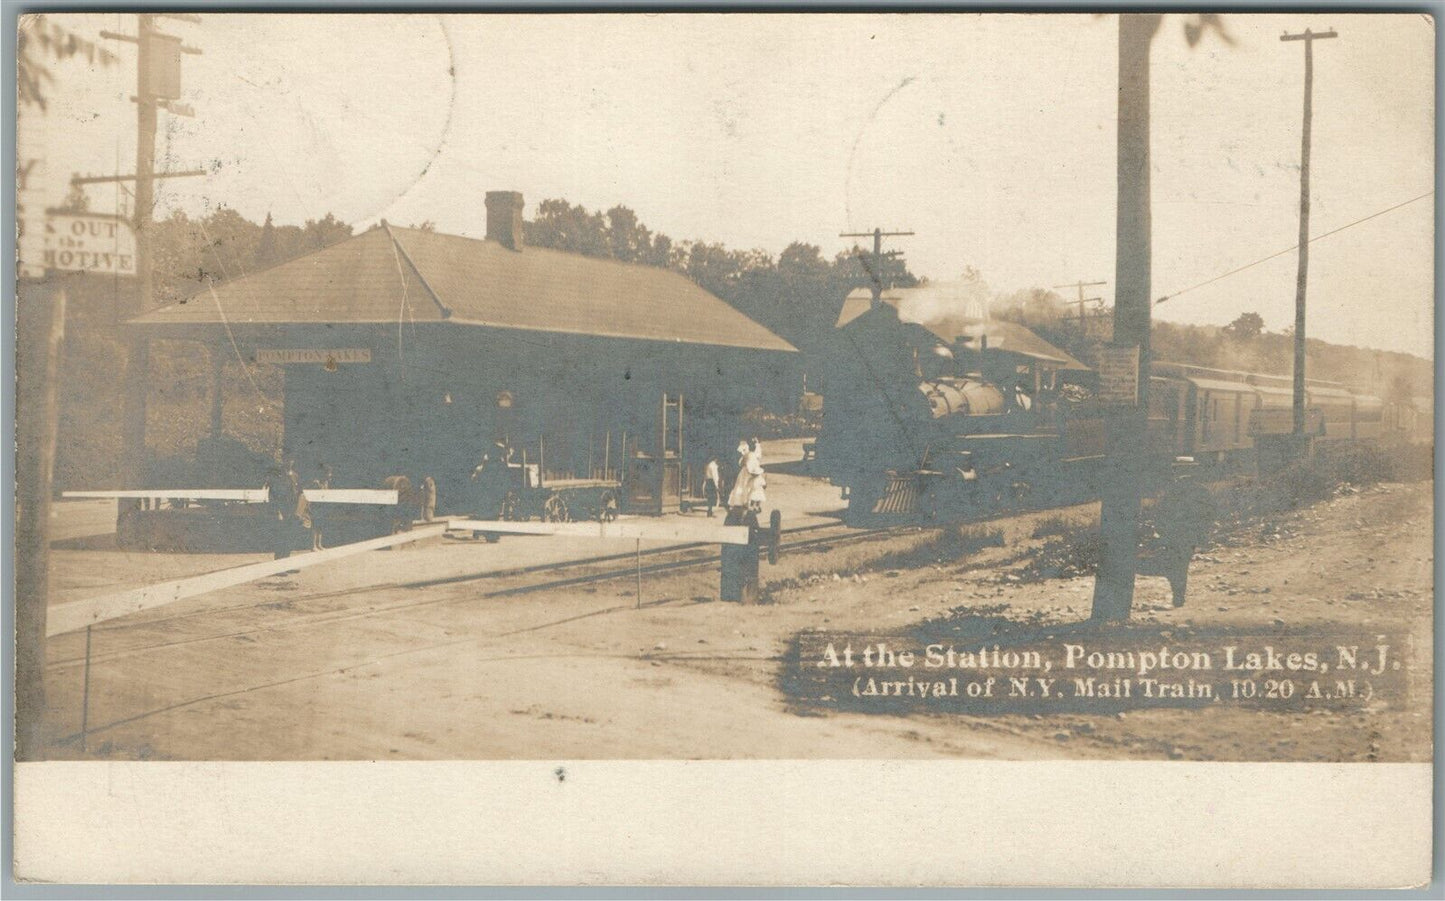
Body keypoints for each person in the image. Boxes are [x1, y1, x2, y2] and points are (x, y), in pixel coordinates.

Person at [308, 464, 332, 551]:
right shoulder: (316, 482)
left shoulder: (326, 483)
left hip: (323, 506)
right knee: (315, 526)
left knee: (321, 526)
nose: (330, 475)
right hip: (315, 507)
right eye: (329, 473)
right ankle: (313, 545)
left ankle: (319, 544)